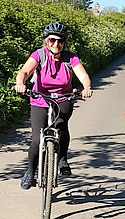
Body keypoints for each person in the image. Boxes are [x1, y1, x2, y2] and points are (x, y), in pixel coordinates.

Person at [14, 22, 93, 190]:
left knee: (61, 126)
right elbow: (25, 72)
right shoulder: (39, 55)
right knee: (37, 138)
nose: (56, 44)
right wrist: (20, 83)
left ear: (64, 43)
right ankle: (30, 172)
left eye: (60, 41)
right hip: (40, 98)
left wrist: (86, 87)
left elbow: (83, 75)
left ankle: (62, 159)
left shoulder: (70, 57)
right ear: (47, 41)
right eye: (52, 40)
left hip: (64, 97)